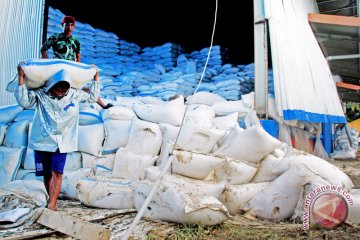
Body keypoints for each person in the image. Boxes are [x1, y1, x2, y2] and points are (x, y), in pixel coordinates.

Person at [15, 65, 100, 211]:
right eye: (58, 89)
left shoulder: (74, 95)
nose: (61, 93)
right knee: (46, 173)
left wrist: (95, 78)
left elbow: (93, 97)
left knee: (57, 172)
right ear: (52, 86)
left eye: (64, 90)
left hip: (62, 142)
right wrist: (21, 77)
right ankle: (51, 200)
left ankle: (52, 204)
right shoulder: (41, 95)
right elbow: (23, 102)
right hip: (43, 140)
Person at [41, 15, 113, 109]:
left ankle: (103, 106)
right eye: (67, 25)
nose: (69, 27)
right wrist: (47, 63)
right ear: (63, 25)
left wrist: (78, 69)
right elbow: (43, 49)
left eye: (71, 25)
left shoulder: (75, 41)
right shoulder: (55, 37)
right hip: (58, 70)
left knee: (83, 89)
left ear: (74, 27)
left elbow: (78, 55)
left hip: (71, 70)